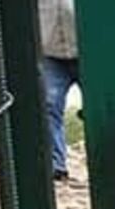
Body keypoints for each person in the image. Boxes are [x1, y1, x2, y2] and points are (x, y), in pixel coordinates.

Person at [38, 0, 77, 181]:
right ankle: (56, 165)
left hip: (90, 49)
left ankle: (108, 162)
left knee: (100, 108)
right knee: (48, 105)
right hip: (50, 52)